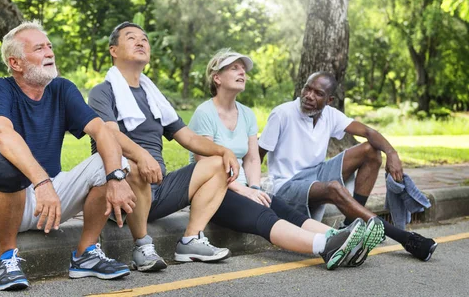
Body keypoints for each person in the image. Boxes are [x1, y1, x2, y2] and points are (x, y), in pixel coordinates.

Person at [0, 21, 137, 291]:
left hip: (50, 201)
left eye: (49, 46)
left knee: (113, 162)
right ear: (15, 63)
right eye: (39, 48)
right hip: (5, 199)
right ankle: (7, 258)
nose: (49, 53)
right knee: (4, 165)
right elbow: (2, 134)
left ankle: (85, 253)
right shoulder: (0, 89)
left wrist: (117, 178)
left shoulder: (62, 88)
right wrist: (42, 182)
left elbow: (102, 131)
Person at [188, 48, 374, 270]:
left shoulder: (246, 113)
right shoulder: (204, 113)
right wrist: (246, 191)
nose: (242, 72)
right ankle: (325, 245)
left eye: (243, 69)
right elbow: (206, 163)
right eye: (234, 68)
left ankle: (343, 237)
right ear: (217, 78)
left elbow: (252, 159)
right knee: (263, 215)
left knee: (281, 208)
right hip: (213, 193)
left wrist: (255, 187)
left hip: (244, 188)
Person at [88, 22, 240, 270]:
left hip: (157, 188)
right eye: (131, 38)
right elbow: (108, 133)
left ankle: (191, 240)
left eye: (144, 39)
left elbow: (188, 138)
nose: (140, 42)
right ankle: (142, 247)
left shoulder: (153, 95)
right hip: (122, 191)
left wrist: (224, 151)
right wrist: (141, 155)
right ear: (113, 50)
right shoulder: (102, 92)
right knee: (134, 166)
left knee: (217, 164)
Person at [258, 71, 438, 265]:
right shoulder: (282, 113)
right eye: (307, 89)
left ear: (329, 100)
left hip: (315, 173)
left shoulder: (330, 115)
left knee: (371, 150)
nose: (309, 96)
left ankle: (351, 223)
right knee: (334, 188)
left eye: (318, 93)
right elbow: (256, 155)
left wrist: (392, 153)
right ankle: (405, 238)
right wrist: (251, 189)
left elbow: (368, 132)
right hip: (286, 184)